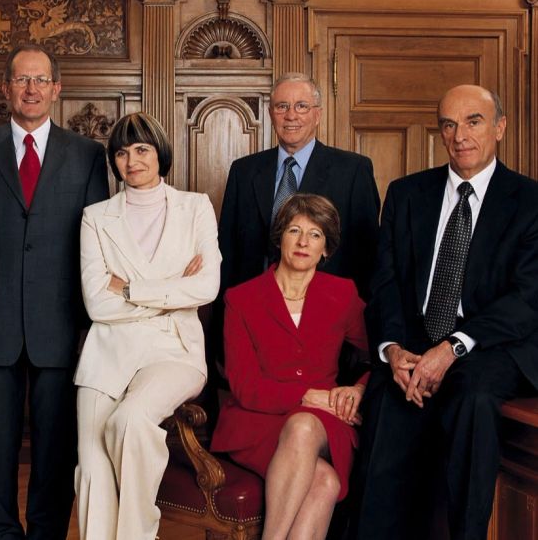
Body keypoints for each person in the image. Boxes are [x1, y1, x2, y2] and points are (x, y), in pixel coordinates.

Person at [354, 84, 538, 540]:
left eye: (473, 121)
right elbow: (386, 283)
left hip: (491, 344)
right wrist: (393, 348)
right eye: (449, 125)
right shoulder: (407, 193)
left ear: (499, 127)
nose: (461, 135)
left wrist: (454, 347)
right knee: (384, 401)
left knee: (473, 398)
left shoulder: (530, 201)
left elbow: (527, 297)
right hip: (413, 340)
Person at [0, 43, 109, 538]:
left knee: (58, 445)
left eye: (41, 80)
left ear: (56, 90)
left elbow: (96, 242)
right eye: (21, 80)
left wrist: (91, 324)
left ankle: (46, 531)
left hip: (61, 322)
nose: (31, 89)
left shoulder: (87, 155)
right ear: (6, 90)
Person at [74, 112, 220, 539]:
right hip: (106, 355)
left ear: (160, 154)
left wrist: (131, 288)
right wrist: (173, 289)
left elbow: (206, 286)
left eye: (141, 149)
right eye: (121, 152)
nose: (131, 160)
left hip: (174, 351)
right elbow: (97, 303)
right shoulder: (95, 216)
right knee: (93, 468)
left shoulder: (195, 207)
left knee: (130, 422)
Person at [211, 194, 369, 540]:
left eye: (315, 235)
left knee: (303, 427)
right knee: (324, 480)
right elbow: (245, 386)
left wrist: (358, 389)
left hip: (325, 421)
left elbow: (374, 358)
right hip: (256, 419)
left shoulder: (342, 294)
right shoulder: (241, 299)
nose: (303, 242)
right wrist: (311, 396)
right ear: (280, 237)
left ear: (326, 249)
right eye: (294, 230)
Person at [218, 72, 380, 298]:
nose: (291, 115)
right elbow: (227, 252)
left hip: (325, 308)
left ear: (317, 115)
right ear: (270, 114)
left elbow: (367, 256)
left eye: (301, 106)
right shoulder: (243, 171)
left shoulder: (353, 171)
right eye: (282, 106)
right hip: (254, 306)